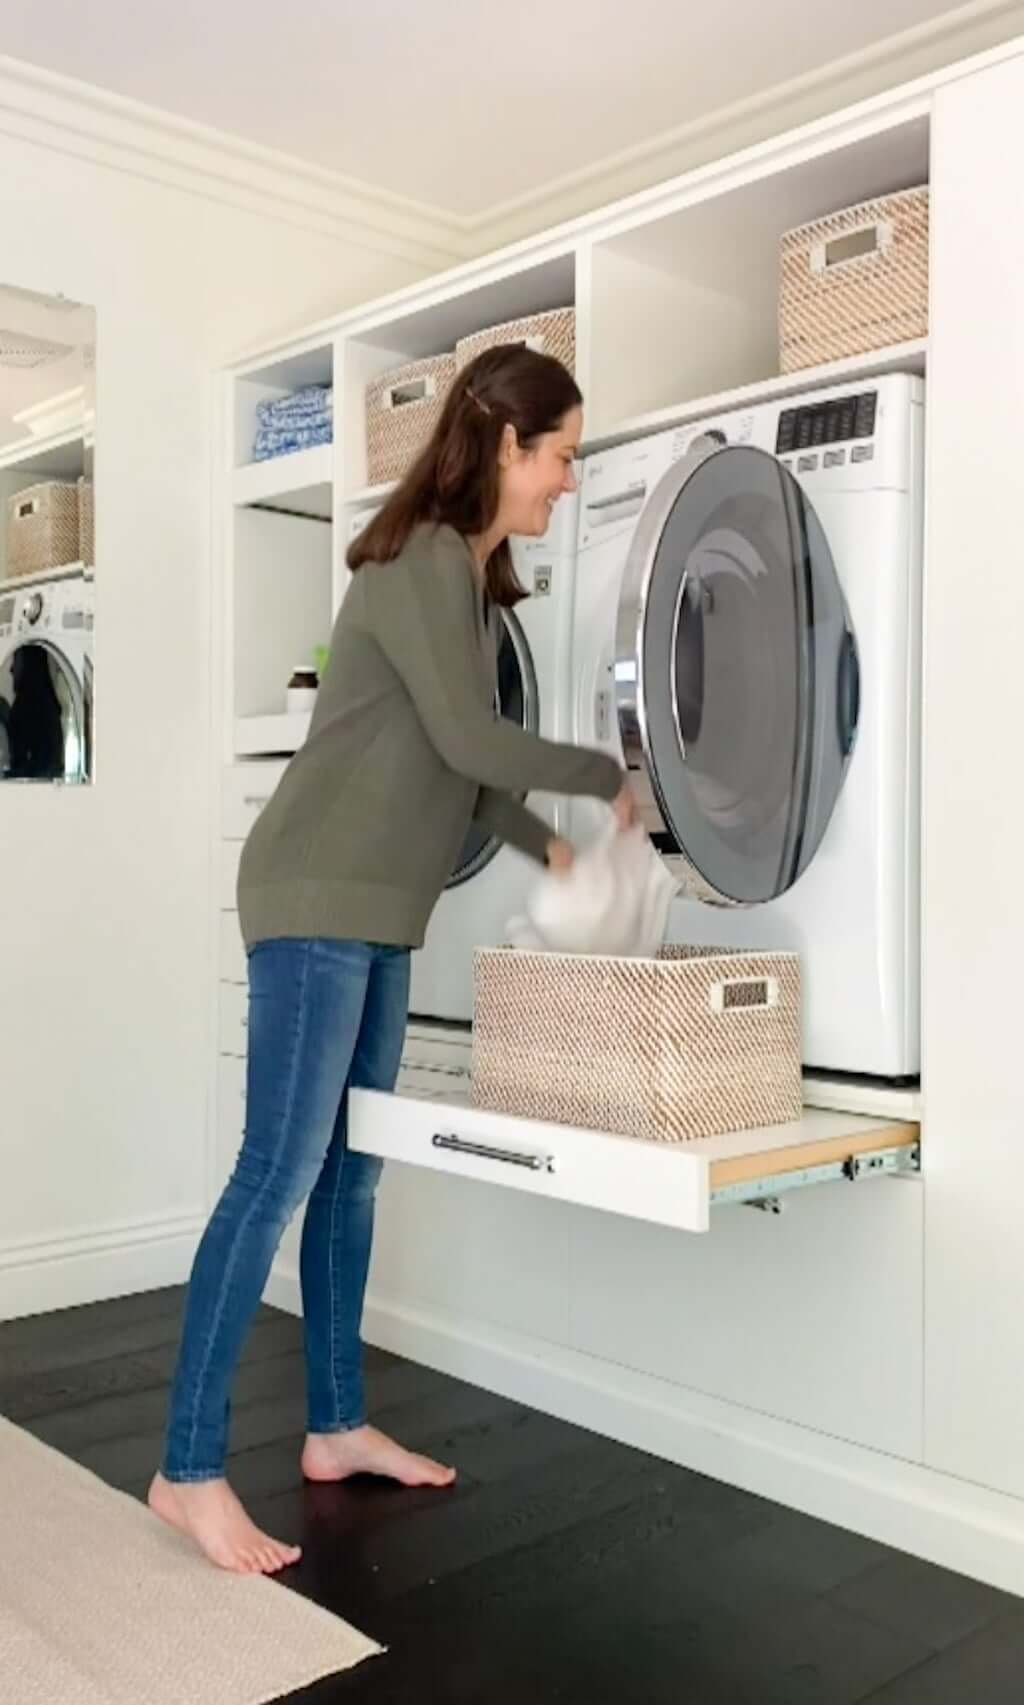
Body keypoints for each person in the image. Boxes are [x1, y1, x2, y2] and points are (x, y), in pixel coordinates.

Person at [149, 344, 635, 1573]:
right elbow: (477, 736)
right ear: (506, 447)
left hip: (376, 909)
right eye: (562, 454)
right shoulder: (419, 559)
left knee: (351, 1176)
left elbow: (458, 777)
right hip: (316, 893)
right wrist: (605, 774)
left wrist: (554, 851)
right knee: (277, 1171)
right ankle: (187, 1469)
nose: (568, 480)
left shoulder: (466, 587)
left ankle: (335, 1425)